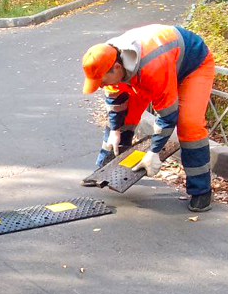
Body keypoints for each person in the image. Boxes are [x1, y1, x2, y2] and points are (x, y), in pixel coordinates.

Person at [80, 24, 216, 212]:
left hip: (193, 65)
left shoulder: (152, 68)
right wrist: (115, 131)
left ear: (116, 68)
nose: (101, 86)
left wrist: (154, 152)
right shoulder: (106, 59)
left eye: (102, 82)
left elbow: (168, 116)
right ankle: (107, 168)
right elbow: (116, 104)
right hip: (152, 67)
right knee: (125, 115)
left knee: (189, 124)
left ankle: (201, 191)